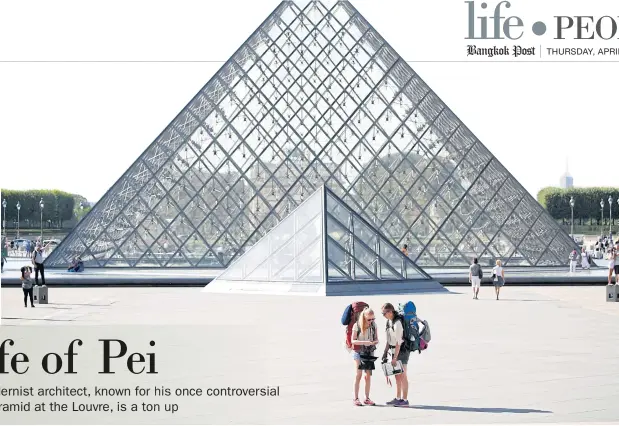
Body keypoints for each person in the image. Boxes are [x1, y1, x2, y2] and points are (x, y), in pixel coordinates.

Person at [381, 303, 410, 407]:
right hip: (393, 351)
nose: (383, 315)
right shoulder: (389, 322)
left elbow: (399, 342)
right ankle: (398, 398)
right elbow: (389, 340)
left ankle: (405, 400)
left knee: (403, 376)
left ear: (390, 311)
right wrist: (385, 353)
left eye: (384, 313)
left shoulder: (397, 323)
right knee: (397, 376)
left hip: (401, 351)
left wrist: (395, 358)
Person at [350, 307, 378, 407]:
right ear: (364, 317)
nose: (371, 321)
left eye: (373, 319)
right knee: (358, 375)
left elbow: (376, 339)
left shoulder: (374, 325)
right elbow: (353, 340)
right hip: (358, 351)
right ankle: (356, 398)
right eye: (369, 319)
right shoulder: (356, 325)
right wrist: (364, 342)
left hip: (369, 352)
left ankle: (367, 398)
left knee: (368, 376)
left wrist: (373, 342)